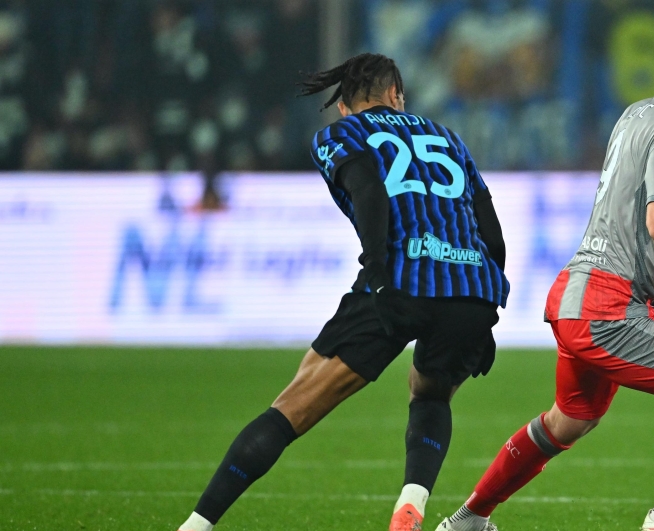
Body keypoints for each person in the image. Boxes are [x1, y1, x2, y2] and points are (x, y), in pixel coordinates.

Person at [435, 16, 654, 531]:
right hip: (609, 308)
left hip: (576, 298)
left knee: (570, 419)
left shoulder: (641, 114)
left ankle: (468, 520)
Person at [176, 52, 510, 531]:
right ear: (397, 94)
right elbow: (490, 228)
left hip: (399, 277)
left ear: (344, 106)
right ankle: (409, 505)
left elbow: (369, 190)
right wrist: (486, 313)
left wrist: (376, 276)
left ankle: (196, 526)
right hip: (471, 286)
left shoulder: (340, 134)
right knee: (432, 395)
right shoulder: (448, 138)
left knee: (291, 407)